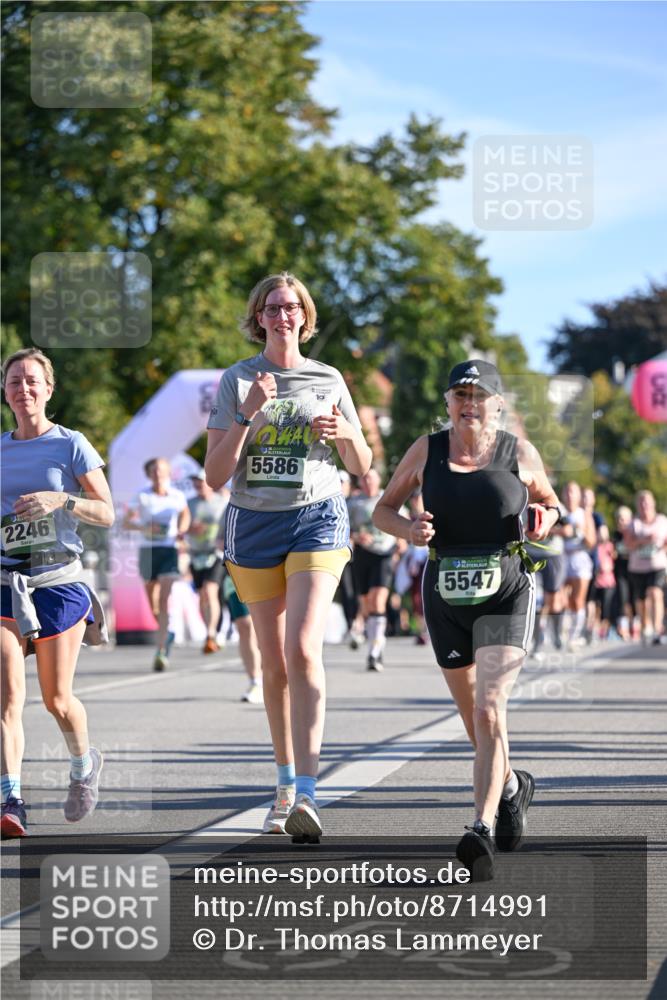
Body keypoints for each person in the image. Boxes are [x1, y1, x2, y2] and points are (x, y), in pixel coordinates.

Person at [373, 359, 560, 880]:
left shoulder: (517, 451)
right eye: (460, 394)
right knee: (474, 720)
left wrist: (546, 515)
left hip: (507, 590)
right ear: (448, 402)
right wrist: (409, 529)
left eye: (479, 395)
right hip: (445, 593)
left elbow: (551, 502)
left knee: (488, 709)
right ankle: (511, 787)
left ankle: (478, 826)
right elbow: (382, 510)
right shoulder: (427, 450)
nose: (469, 403)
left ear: (497, 405)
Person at [205, 271, 372, 842]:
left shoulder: (328, 377)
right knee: (273, 665)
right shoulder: (237, 380)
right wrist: (249, 415)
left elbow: (361, 464)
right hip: (253, 525)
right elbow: (214, 474)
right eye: (272, 308)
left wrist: (345, 432)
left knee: (303, 649)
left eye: (291, 307)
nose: (282, 316)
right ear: (258, 317)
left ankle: (307, 792)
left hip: (316, 517)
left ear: (305, 315)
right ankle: (281, 786)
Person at [1, 348, 114, 838]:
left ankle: (82, 765)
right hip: (6, 582)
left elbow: (107, 512)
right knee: (7, 695)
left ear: (49, 389)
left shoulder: (71, 445)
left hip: (57, 582)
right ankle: (10, 798)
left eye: (31, 381)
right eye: (13, 381)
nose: (23, 389)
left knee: (57, 699)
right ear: (4, 392)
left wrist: (62, 499)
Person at [123, 457, 190, 671]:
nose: (157, 474)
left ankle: (161, 651)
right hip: (148, 551)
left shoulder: (177, 496)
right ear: (148, 474)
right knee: (152, 602)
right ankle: (166, 632)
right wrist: (144, 528)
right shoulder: (142, 496)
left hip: (169, 550)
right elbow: (126, 522)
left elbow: (185, 515)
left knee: (163, 600)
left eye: (161, 470)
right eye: (153, 470)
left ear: (168, 473)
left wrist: (181, 531)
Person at [347, 468, 399, 670]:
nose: (368, 482)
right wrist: (357, 536)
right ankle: (375, 643)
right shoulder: (353, 503)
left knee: (378, 601)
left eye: (371, 479)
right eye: (364, 479)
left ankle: (374, 653)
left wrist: (402, 540)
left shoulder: (389, 499)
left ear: (378, 481)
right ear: (360, 483)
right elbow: (343, 526)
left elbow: (399, 520)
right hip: (362, 554)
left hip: (384, 553)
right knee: (367, 604)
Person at [186, 471, 228, 654]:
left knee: (210, 590)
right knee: (203, 595)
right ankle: (213, 629)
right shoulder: (189, 504)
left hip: (216, 554)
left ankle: (211, 634)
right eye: (195, 483)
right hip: (196, 554)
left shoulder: (221, 501)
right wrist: (189, 529)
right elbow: (182, 526)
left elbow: (230, 522)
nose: (198, 486)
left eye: (201, 482)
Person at [624, 490, 667, 645]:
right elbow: (627, 545)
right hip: (637, 567)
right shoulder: (633, 523)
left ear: (653, 503)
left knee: (656, 593)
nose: (644, 505)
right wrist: (643, 540)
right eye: (641, 502)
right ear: (637, 505)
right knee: (641, 600)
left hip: (658, 565)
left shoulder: (662, 521)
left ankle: (657, 629)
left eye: (647, 502)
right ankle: (645, 626)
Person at [561, 481, 596, 648]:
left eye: (572, 491)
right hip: (561, 558)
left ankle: (575, 636)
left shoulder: (584, 515)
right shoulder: (558, 511)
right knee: (561, 598)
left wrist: (579, 531)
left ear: (578, 495)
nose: (569, 495)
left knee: (577, 600)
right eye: (566, 491)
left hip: (579, 558)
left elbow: (591, 542)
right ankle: (563, 632)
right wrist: (562, 532)